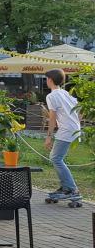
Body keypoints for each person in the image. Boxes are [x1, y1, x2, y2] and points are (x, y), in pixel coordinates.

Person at [45, 68, 82, 206]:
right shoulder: (65, 93)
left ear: (50, 80)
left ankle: (72, 189)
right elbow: (80, 110)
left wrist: (49, 136)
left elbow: (52, 117)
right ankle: (66, 187)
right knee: (57, 158)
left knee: (56, 158)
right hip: (74, 129)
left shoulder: (51, 96)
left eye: (47, 78)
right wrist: (75, 122)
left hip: (66, 130)